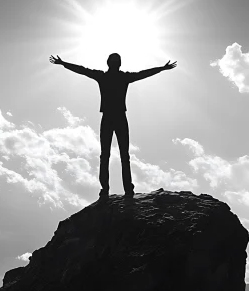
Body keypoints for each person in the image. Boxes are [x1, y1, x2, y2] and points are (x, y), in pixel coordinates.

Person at [49, 52, 177, 199]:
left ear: (109, 63)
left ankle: (114, 190)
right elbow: (142, 74)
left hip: (112, 117)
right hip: (116, 117)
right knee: (116, 156)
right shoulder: (119, 77)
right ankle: (119, 189)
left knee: (111, 156)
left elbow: (83, 70)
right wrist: (161, 68)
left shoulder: (106, 77)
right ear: (116, 63)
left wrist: (64, 63)